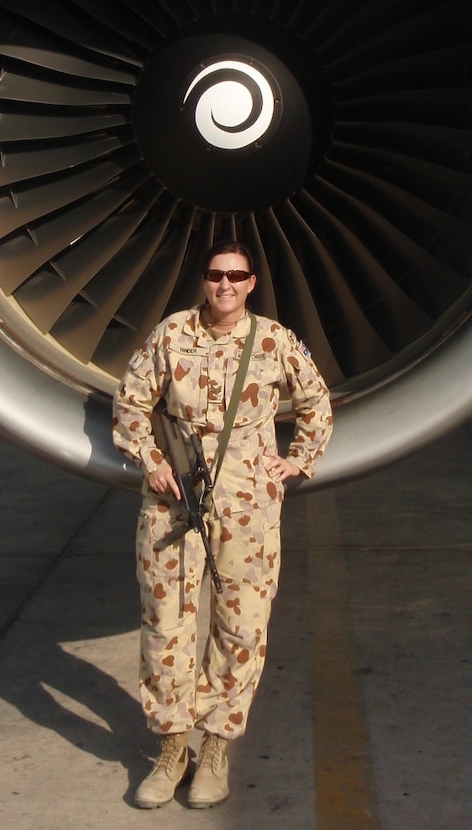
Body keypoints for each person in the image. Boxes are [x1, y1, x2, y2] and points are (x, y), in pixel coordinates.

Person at [112, 239, 333, 809]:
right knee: (165, 625)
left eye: (237, 276)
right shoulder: (170, 336)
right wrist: (152, 460)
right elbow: (130, 404)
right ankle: (171, 745)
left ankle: (215, 745)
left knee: (241, 627)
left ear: (252, 283)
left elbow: (316, 403)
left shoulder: (275, 341)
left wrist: (297, 460)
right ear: (203, 280)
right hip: (173, 502)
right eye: (215, 275)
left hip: (248, 507)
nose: (225, 285)